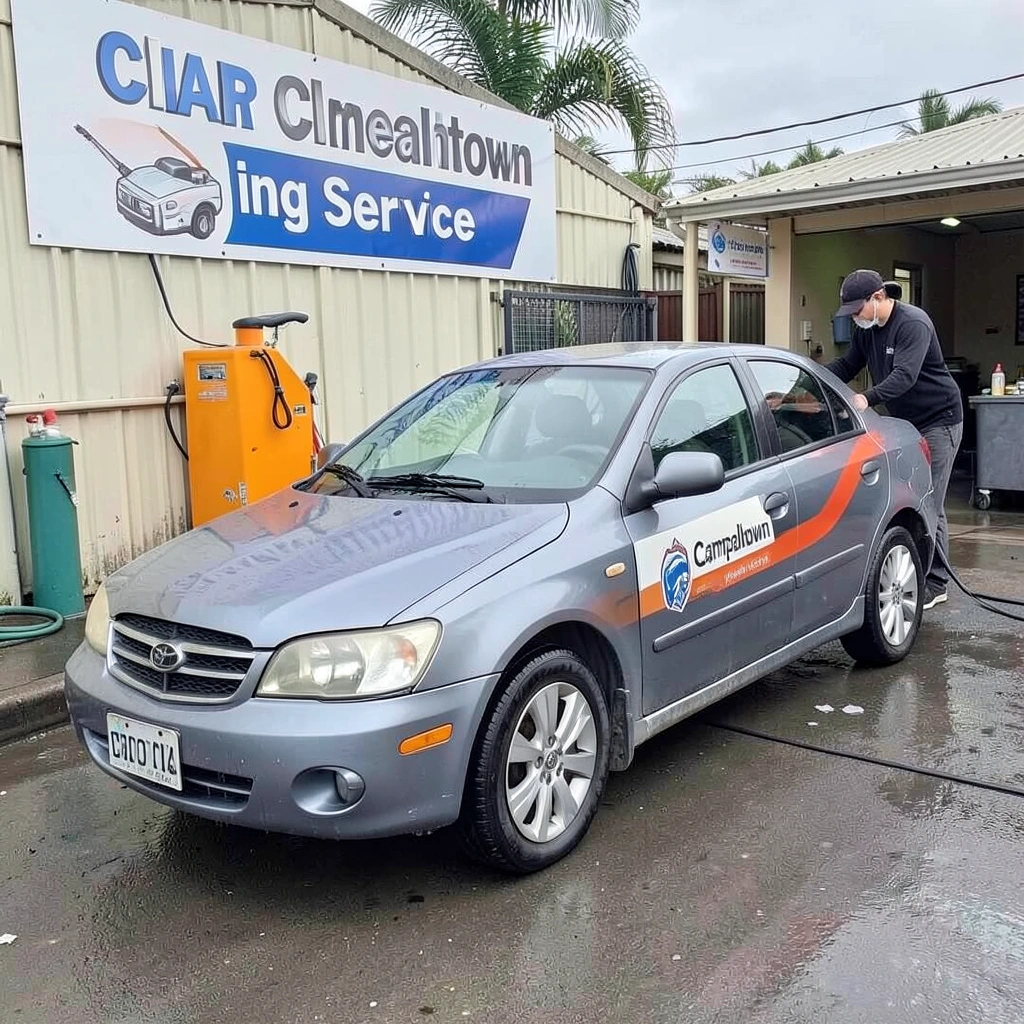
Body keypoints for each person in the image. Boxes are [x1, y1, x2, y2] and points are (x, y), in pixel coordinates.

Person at [826, 268, 963, 611]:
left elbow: (905, 376)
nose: (855, 318)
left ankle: (936, 582)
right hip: (904, 422)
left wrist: (865, 399)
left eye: (858, 310)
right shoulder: (867, 331)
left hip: (939, 419)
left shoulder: (913, 324)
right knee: (909, 498)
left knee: (930, 500)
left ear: (878, 298)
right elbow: (848, 366)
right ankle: (919, 569)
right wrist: (810, 378)